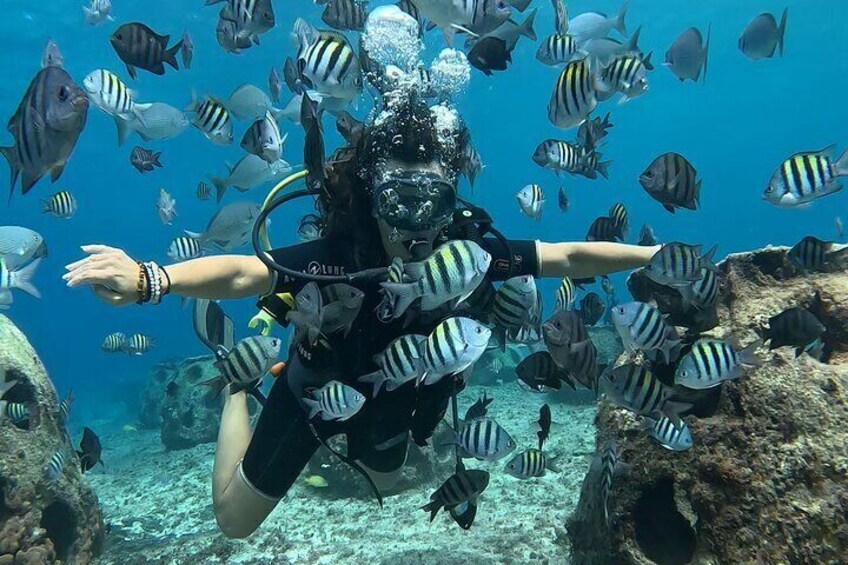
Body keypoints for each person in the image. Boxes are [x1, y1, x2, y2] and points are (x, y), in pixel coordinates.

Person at [63, 90, 658, 538]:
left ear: (451, 200)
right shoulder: (340, 255)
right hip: (315, 386)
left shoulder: (467, 253)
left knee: (390, 473)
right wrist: (152, 279)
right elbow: (247, 272)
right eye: (399, 202)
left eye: (432, 203)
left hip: (399, 393)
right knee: (234, 521)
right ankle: (239, 390)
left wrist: (658, 261)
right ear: (372, 197)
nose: (415, 225)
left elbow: (566, 256)